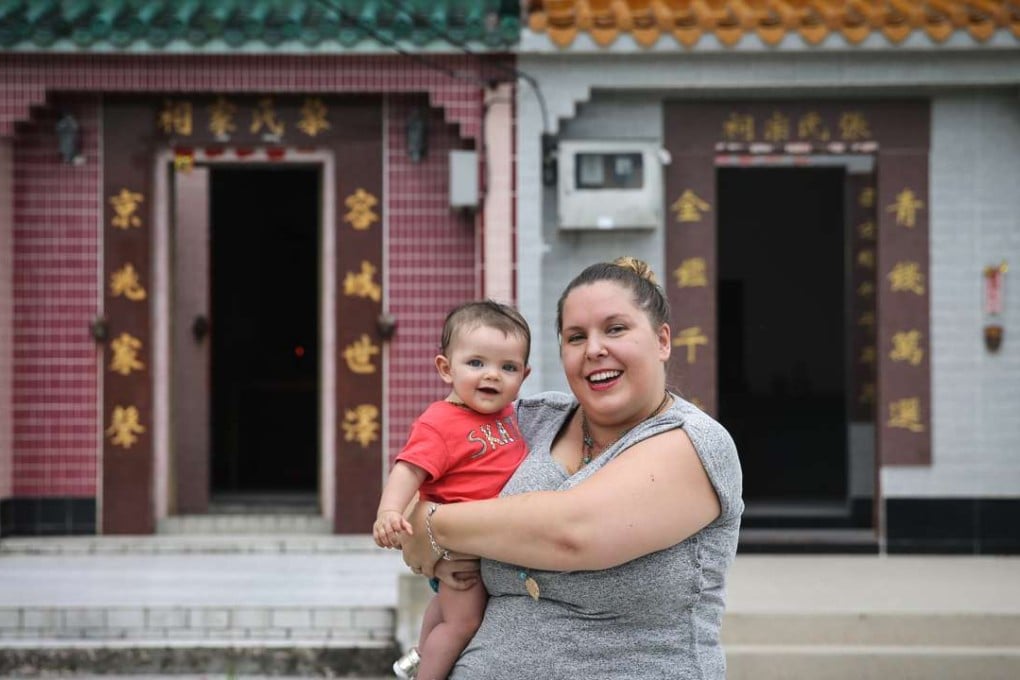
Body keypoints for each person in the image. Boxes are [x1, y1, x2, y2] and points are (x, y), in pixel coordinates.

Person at [401, 257, 744, 679]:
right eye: (575, 336)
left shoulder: (694, 442)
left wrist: (432, 526)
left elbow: (570, 534)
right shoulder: (528, 420)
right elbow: (423, 466)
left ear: (662, 340)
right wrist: (421, 524)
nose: (594, 349)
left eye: (615, 329)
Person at [373, 300, 532, 680]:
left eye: (507, 367)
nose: (492, 376)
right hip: (462, 549)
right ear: (446, 368)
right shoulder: (440, 421)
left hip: (483, 543)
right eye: (476, 363)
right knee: (463, 623)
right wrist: (389, 512)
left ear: (523, 376)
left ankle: (417, 658)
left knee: (445, 612)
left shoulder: (511, 415)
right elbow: (408, 469)